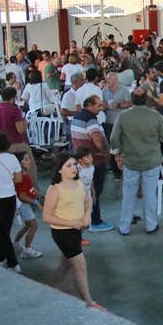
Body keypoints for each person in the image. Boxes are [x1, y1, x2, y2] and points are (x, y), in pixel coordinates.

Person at [109, 88, 163, 235]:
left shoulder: (123, 116)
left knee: (128, 195)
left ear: (132, 100)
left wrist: (117, 155)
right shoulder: (155, 116)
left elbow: (113, 139)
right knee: (150, 194)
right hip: (151, 161)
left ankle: (124, 227)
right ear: (146, 99)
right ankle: (150, 225)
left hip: (130, 161)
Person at [42, 154, 101, 308]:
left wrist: (87, 215)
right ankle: (88, 301)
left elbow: (87, 202)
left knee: (67, 264)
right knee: (80, 265)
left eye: (75, 165)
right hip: (62, 233)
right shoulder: (55, 189)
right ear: (60, 170)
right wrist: (70, 222)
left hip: (77, 230)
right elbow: (47, 217)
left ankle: (51, 286)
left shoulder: (79, 183)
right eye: (69, 165)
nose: (74, 168)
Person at [71, 95, 113, 233]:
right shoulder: (91, 120)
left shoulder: (76, 117)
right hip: (95, 161)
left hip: (81, 161)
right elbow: (97, 139)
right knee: (94, 192)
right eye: (98, 105)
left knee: (85, 192)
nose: (101, 109)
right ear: (89, 104)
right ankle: (95, 221)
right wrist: (106, 153)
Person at [0, 130, 22, 272]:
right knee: (5, 231)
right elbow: (18, 179)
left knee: (1, 232)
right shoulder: (11, 158)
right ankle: (0, 258)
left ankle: (13, 263)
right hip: (9, 198)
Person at [0, 87, 38, 180]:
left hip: (1, 146)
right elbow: (20, 130)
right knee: (31, 168)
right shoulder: (15, 110)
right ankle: (34, 190)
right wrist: (25, 122)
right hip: (16, 144)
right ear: (13, 98)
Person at [12, 152, 42, 259]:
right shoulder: (23, 177)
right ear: (19, 163)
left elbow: (30, 189)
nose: (29, 161)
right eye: (26, 159)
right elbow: (22, 196)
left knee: (28, 225)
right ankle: (27, 250)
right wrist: (36, 203)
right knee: (34, 226)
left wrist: (39, 195)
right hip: (23, 205)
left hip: (22, 205)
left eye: (29, 159)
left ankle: (15, 245)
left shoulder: (23, 175)